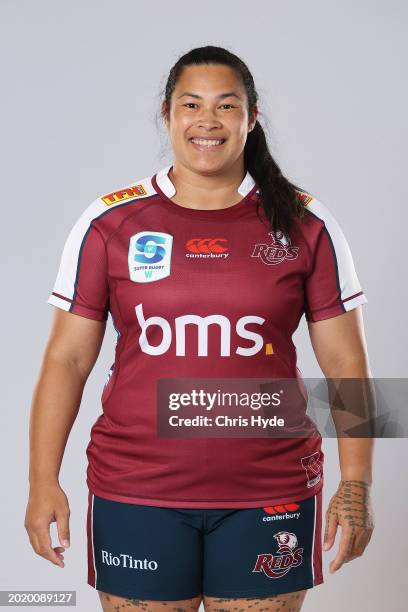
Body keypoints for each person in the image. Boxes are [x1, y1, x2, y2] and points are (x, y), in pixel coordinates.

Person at [25, 45, 375, 612]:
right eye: (191, 104)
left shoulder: (307, 223)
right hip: (137, 491)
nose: (207, 121)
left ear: (250, 117)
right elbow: (66, 360)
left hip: (271, 491)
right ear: (167, 114)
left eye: (226, 105)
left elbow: (347, 367)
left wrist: (356, 485)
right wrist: (43, 482)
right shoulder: (110, 222)